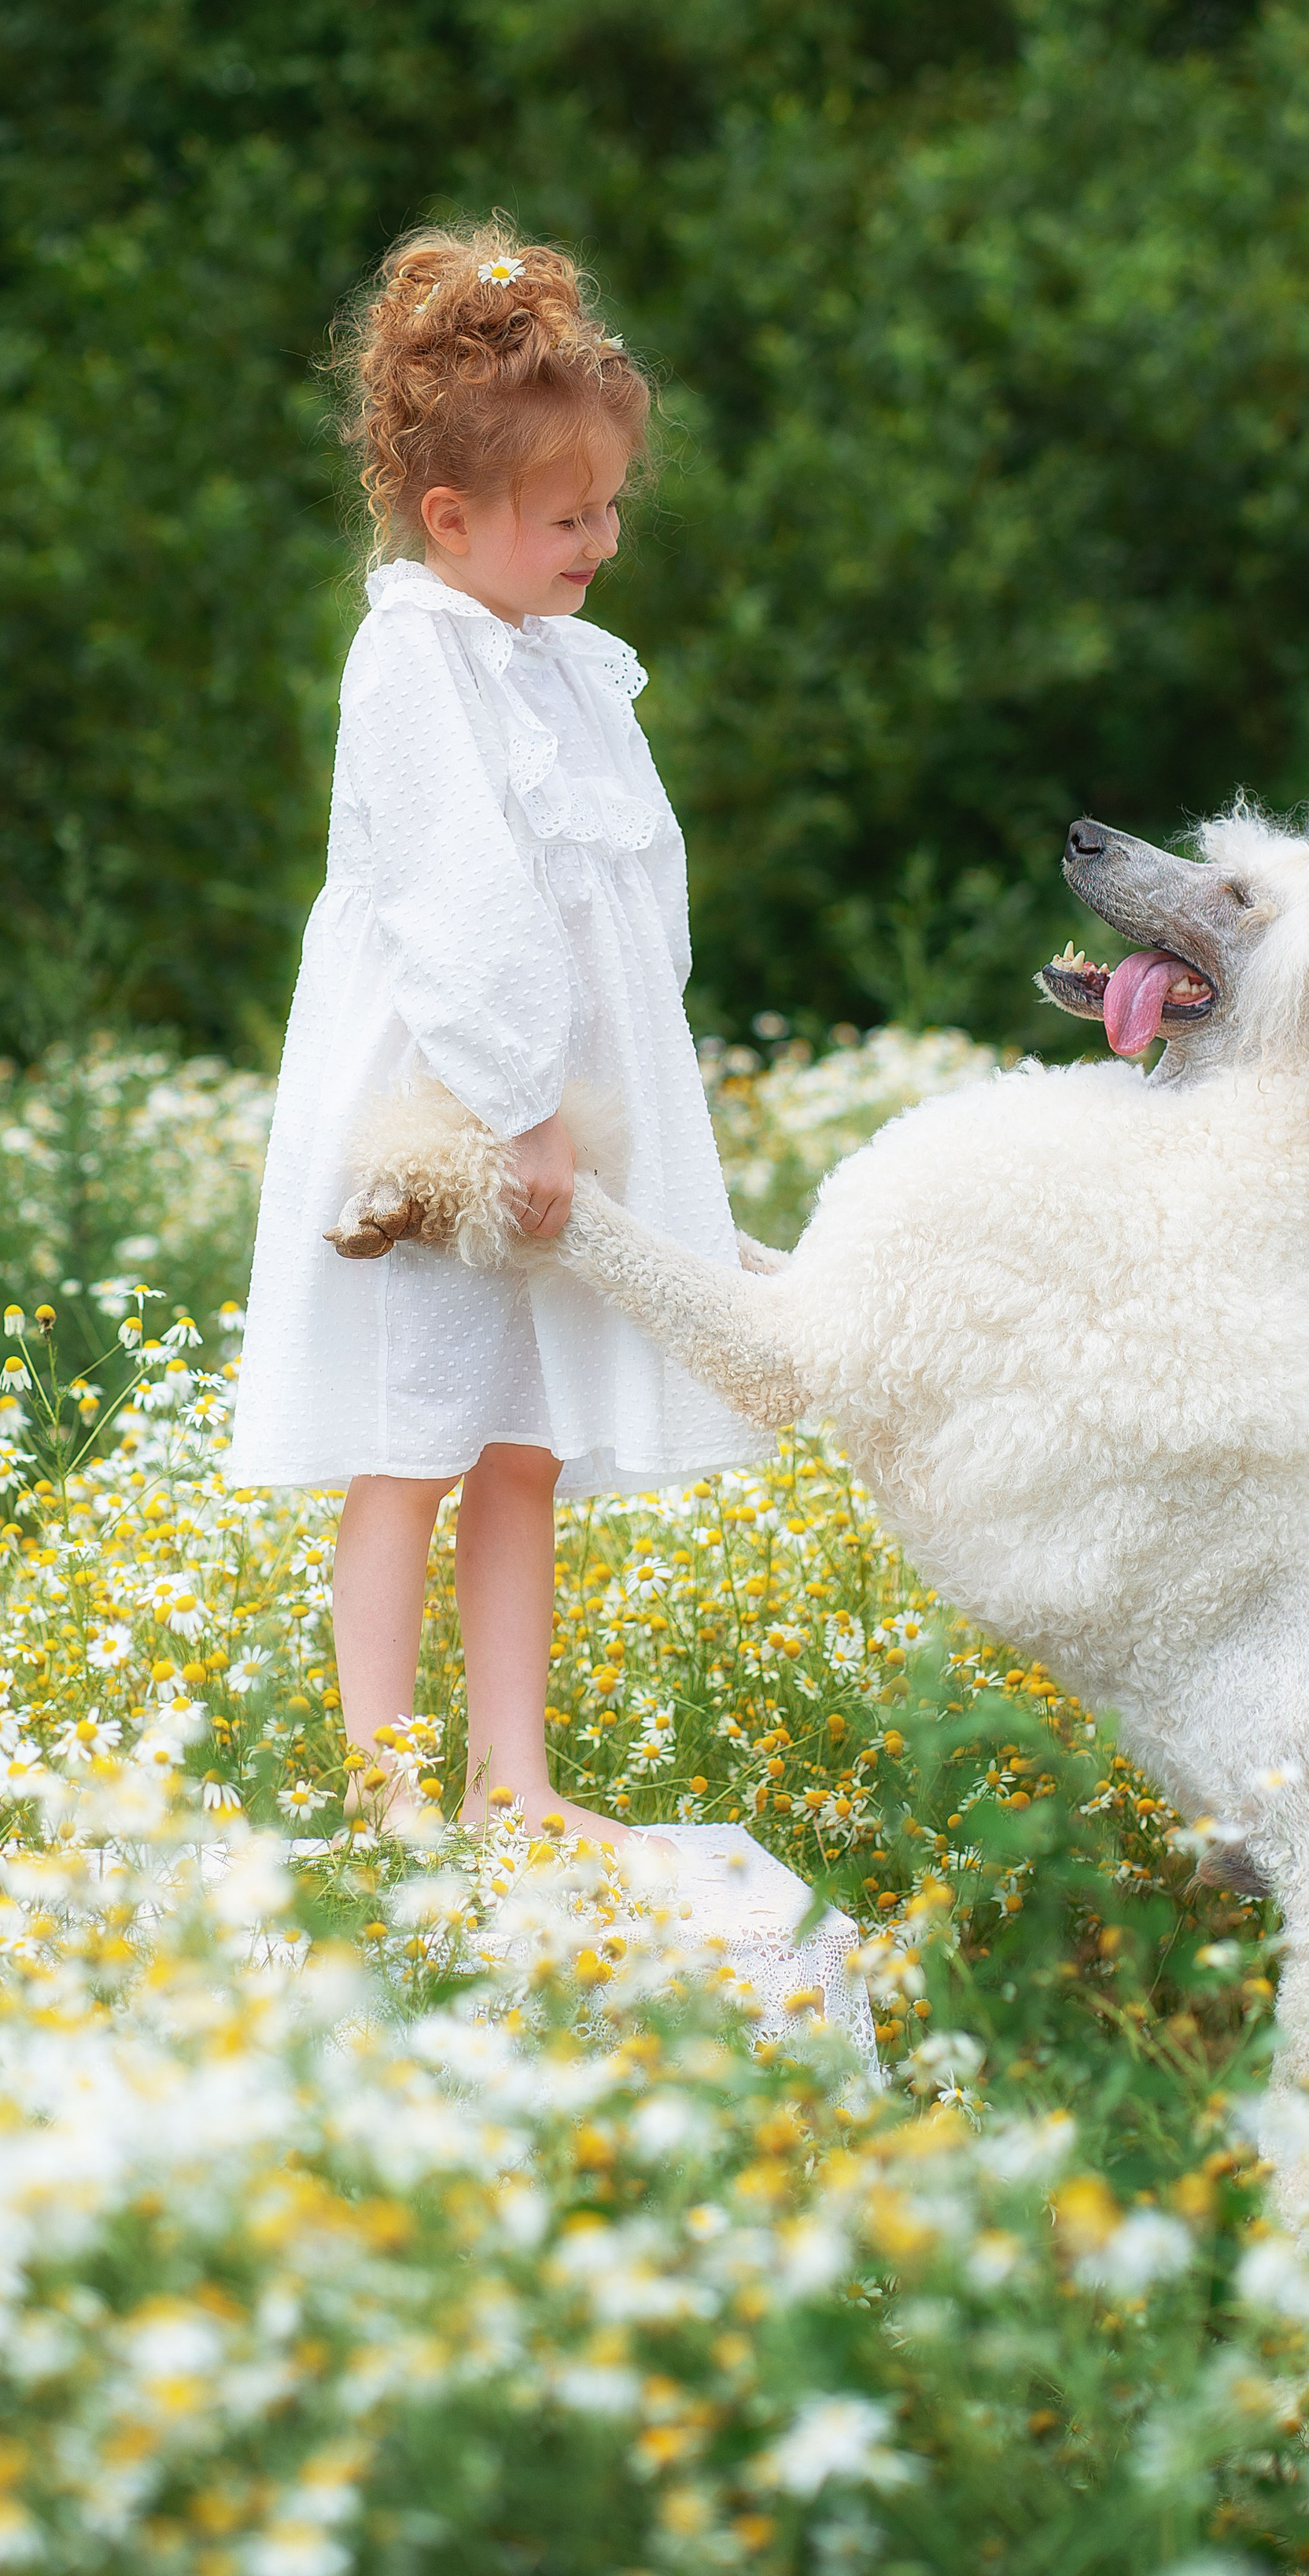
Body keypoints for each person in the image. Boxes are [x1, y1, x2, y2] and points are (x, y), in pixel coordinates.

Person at [227, 222, 758, 1836]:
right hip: (448, 1119)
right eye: (563, 516)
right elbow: (459, 907)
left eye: (606, 508)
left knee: (521, 1446)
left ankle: (509, 1782)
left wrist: (620, 1100)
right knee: (415, 1442)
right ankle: (386, 1783)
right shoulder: (413, 660)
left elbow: (625, 898)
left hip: (553, 1115)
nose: (598, 538)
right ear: (450, 517)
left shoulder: (560, 668)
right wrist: (522, 1099)